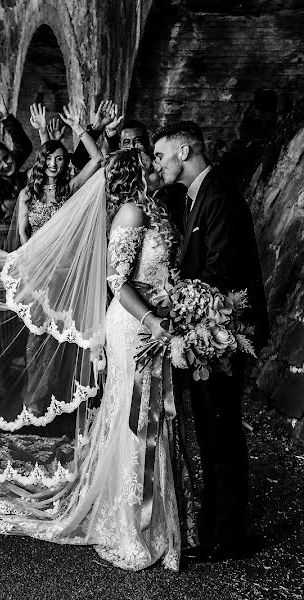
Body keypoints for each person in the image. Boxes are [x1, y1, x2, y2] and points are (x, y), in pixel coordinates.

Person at [0, 150, 194, 572]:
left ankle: (157, 516)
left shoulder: (155, 208)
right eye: (152, 161)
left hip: (155, 316)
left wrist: (176, 300)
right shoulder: (129, 213)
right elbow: (117, 280)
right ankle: (130, 520)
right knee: (137, 412)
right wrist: (154, 320)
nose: (159, 166)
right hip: (135, 322)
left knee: (154, 413)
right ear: (138, 173)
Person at [152, 121, 269, 562]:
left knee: (220, 432)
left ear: (184, 151)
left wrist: (171, 301)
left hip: (222, 334)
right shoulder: (193, 195)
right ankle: (220, 527)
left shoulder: (218, 195)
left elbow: (221, 274)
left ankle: (230, 538)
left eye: (162, 155)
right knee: (211, 430)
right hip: (208, 331)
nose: (157, 163)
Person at [17, 103, 104, 245]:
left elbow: (98, 159)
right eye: (49, 158)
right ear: (42, 161)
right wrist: (29, 258)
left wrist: (77, 128)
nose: (52, 164)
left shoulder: (70, 187)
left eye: (59, 159)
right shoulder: (28, 193)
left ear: (64, 163)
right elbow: (23, 231)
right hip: (35, 256)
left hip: (65, 256)